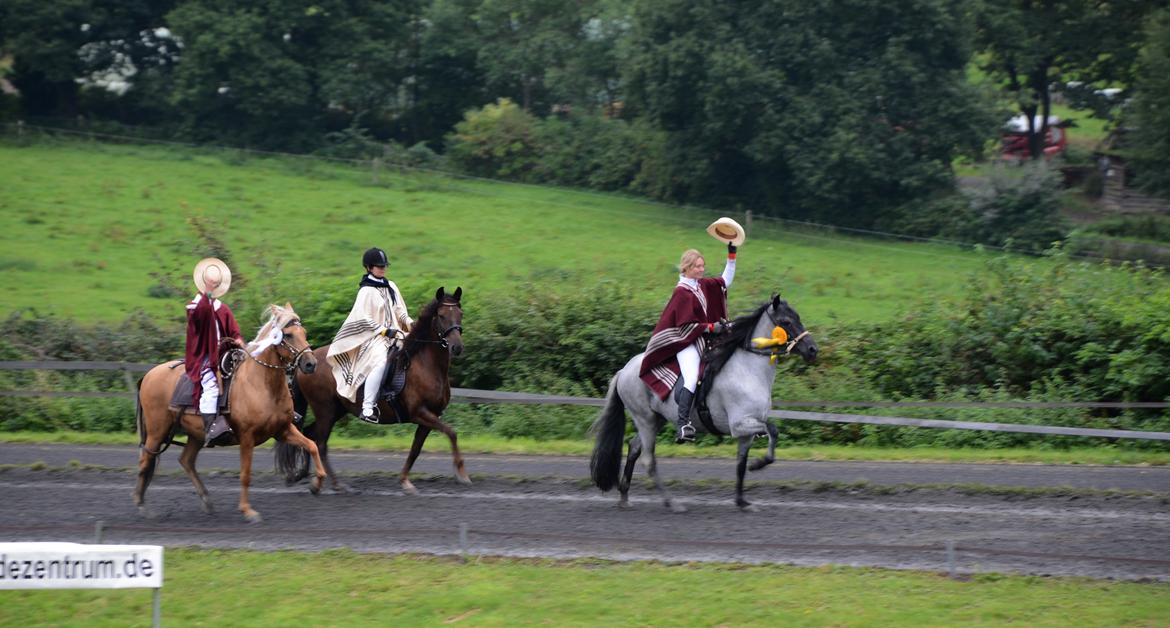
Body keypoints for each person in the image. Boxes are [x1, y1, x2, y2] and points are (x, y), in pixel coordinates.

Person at [639, 240, 738, 443]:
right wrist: (711, 327)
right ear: (687, 268)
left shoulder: (699, 286)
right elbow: (685, 327)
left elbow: (725, 281)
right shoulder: (682, 292)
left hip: (701, 339)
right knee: (692, 377)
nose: (702, 270)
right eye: (697, 266)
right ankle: (683, 424)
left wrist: (731, 255)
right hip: (684, 343)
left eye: (703, 266)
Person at [326, 247, 414, 423]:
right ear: (368, 267)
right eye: (378, 266)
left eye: (384, 266)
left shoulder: (391, 286)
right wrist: (384, 330)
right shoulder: (366, 291)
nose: (382, 269)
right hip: (375, 338)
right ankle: (368, 408)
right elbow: (362, 319)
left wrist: (411, 324)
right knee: (380, 362)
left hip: (397, 334)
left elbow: (400, 311)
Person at [186, 258, 245, 447]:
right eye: (211, 283)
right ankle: (210, 428)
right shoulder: (194, 307)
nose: (213, 286)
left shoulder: (222, 308)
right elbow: (200, 317)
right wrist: (208, 293)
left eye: (215, 284)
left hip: (224, 355)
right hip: (203, 356)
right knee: (211, 386)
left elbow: (234, 330)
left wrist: (238, 340)